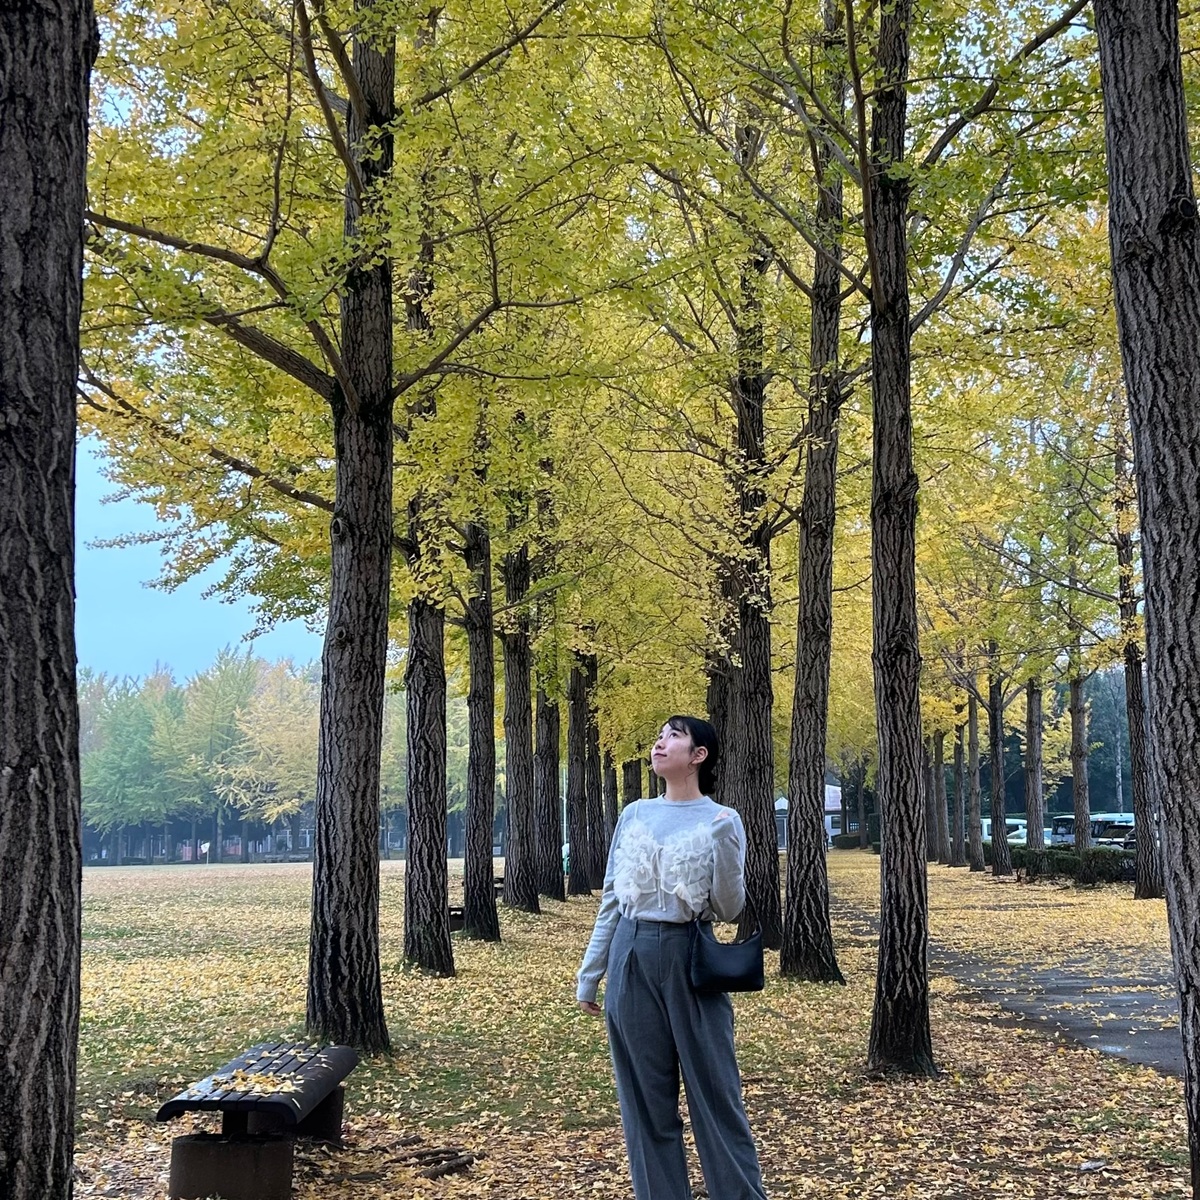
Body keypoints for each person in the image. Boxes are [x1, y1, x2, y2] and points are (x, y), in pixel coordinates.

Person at [576, 715, 768, 1200]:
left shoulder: (723, 819)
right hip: (630, 957)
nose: (660, 742)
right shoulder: (634, 814)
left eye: (673, 736)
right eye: (660, 734)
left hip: (692, 956)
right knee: (645, 1102)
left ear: (698, 755)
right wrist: (590, 973)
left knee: (715, 1094)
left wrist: (724, 846)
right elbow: (613, 900)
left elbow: (729, 908)